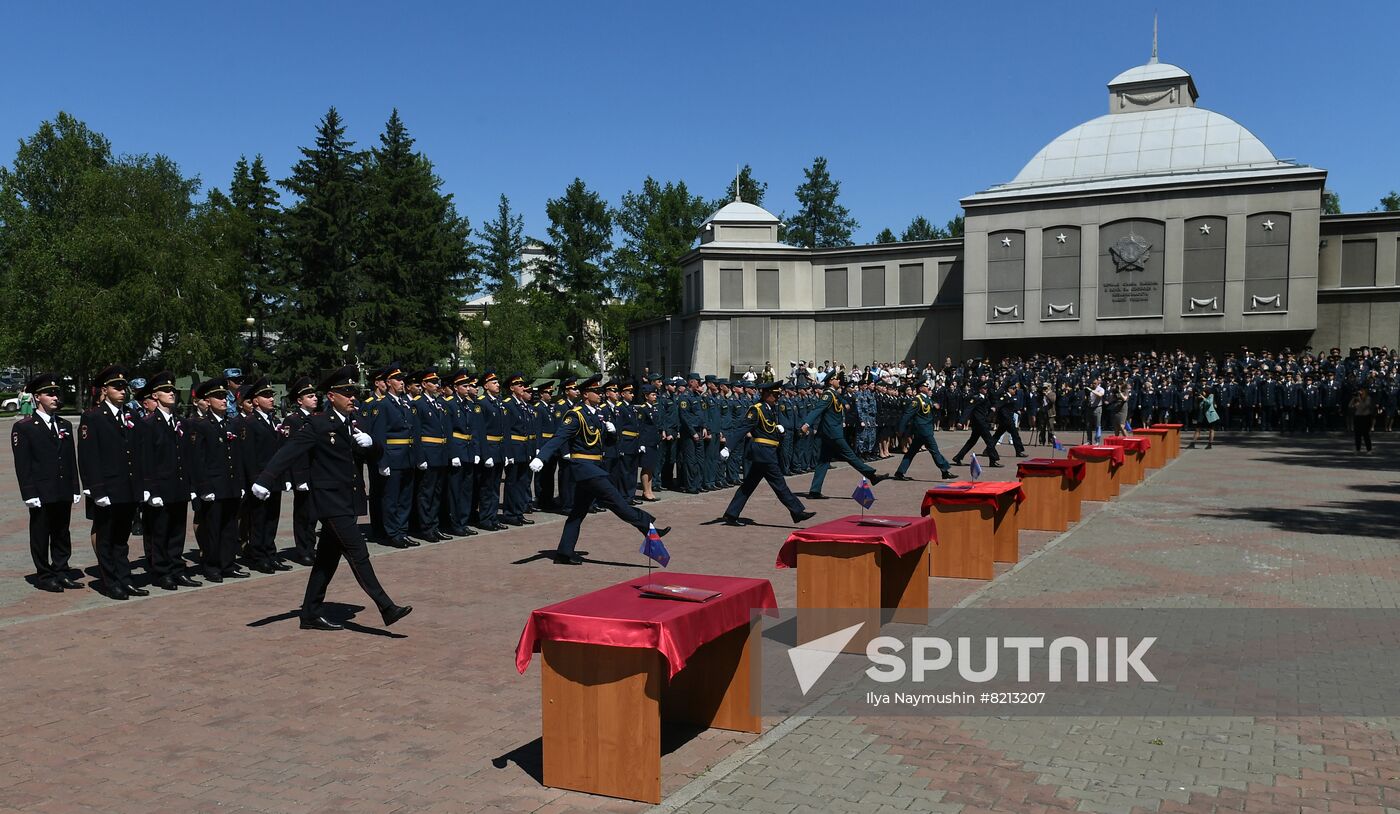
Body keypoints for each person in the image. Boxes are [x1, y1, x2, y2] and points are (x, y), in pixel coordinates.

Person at [250, 366, 413, 631]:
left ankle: (311, 613)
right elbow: (289, 451)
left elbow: (368, 454)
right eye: (346, 393)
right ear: (331, 396)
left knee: (326, 560)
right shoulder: (318, 424)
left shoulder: (353, 422)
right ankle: (386, 606)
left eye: (354, 393)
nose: (352, 398)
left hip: (348, 499)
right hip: (329, 501)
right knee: (358, 552)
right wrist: (265, 479)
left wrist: (373, 445)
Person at [529, 375, 669, 565]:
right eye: (597, 391)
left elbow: (604, 443)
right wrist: (541, 457)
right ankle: (648, 526)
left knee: (577, 513)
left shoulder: (596, 415)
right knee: (618, 503)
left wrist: (611, 433)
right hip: (585, 469)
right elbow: (559, 437)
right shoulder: (576, 415)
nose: (601, 395)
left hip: (595, 467)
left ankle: (564, 552)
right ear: (586, 394)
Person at [78, 365, 151, 600]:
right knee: (106, 538)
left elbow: (138, 455)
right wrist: (96, 490)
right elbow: (89, 456)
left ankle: (125, 579)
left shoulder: (130, 417)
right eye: (116, 387)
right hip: (108, 488)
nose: (122, 391)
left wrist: (142, 487)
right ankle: (110, 582)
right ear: (105, 390)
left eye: (124, 387)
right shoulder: (93, 417)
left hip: (128, 488)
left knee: (122, 538)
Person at [11, 373, 82, 593]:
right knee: (41, 533)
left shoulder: (64, 424)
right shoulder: (25, 427)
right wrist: (28, 492)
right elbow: (23, 464)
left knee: (62, 532)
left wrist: (74, 487)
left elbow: (70, 459)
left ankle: (61, 570)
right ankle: (44, 574)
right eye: (49, 393)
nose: (54, 397)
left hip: (62, 488)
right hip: (41, 490)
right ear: (37, 397)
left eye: (56, 393)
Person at [721, 381, 816, 525]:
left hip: (767, 451)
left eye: (778, 395)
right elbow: (742, 429)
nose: (777, 398)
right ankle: (797, 511)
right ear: (766, 395)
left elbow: (769, 430)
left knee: (748, 485)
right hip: (763, 452)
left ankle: (731, 514)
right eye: (775, 395)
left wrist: (780, 432)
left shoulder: (770, 408)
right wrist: (728, 447)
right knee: (779, 483)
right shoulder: (756, 409)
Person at [138, 371, 201, 590]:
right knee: (160, 532)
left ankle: (177, 568)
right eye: (166, 391)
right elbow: (146, 459)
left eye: (173, 390)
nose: (171, 393)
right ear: (155, 396)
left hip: (179, 486)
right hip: (160, 488)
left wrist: (191, 486)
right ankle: (161, 571)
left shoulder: (181, 422)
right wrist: (150, 490)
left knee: (177, 532)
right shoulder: (147, 424)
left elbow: (188, 457)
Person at [186, 377, 248, 583]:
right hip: (213, 485)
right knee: (212, 528)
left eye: (225, 397)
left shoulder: (230, 423)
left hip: (230, 485)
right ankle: (211, 565)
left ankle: (228, 563)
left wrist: (240, 484)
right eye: (219, 397)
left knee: (230, 528)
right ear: (208, 400)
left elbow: (237, 457)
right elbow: (198, 459)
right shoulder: (202, 425)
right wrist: (203, 487)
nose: (224, 400)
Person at [801, 376, 887, 499]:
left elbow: (841, 398)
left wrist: (845, 403)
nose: (839, 381)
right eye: (836, 379)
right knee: (850, 456)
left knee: (823, 461)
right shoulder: (828, 395)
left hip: (830, 433)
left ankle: (814, 491)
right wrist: (806, 424)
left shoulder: (833, 393)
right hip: (832, 433)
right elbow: (817, 410)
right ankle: (872, 476)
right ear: (831, 381)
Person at [892, 380, 955, 481]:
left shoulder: (926, 398)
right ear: (920, 388)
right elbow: (907, 415)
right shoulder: (917, 400)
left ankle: (900, 472)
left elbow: (932, 406)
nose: (928, 387)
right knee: (934, 450)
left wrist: (936, 406)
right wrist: (901, 429)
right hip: (923, 430)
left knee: (911, 452)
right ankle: (945, 470)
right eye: (926, 386)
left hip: (924, 430)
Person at [952, 382, 1002, 468]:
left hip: (981, 423)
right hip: (980, 423)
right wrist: (961, 421)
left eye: (986, 388)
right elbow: (968, 409)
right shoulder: (976, 398)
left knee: (972, 441)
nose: (986, 390)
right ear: (980, 389)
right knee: (989, 441)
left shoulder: (985, 398)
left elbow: (987, 408)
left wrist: (992, 409)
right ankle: (993, 460)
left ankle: (958, 457)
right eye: (984, 388)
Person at [1349, 385, 1375, 453]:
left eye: (1362, 390)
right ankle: (1358, 449)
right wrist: (1354, 398)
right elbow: (1350, 405)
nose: (1361, 392)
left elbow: (1364, 406)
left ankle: (1369, 449)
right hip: (1358, 417)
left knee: (1365, 434)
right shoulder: (1357, 398)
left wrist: (1359, 399)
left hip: (1365, 417)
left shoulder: (1368, 398)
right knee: (1357, 434)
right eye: (1360, 390)